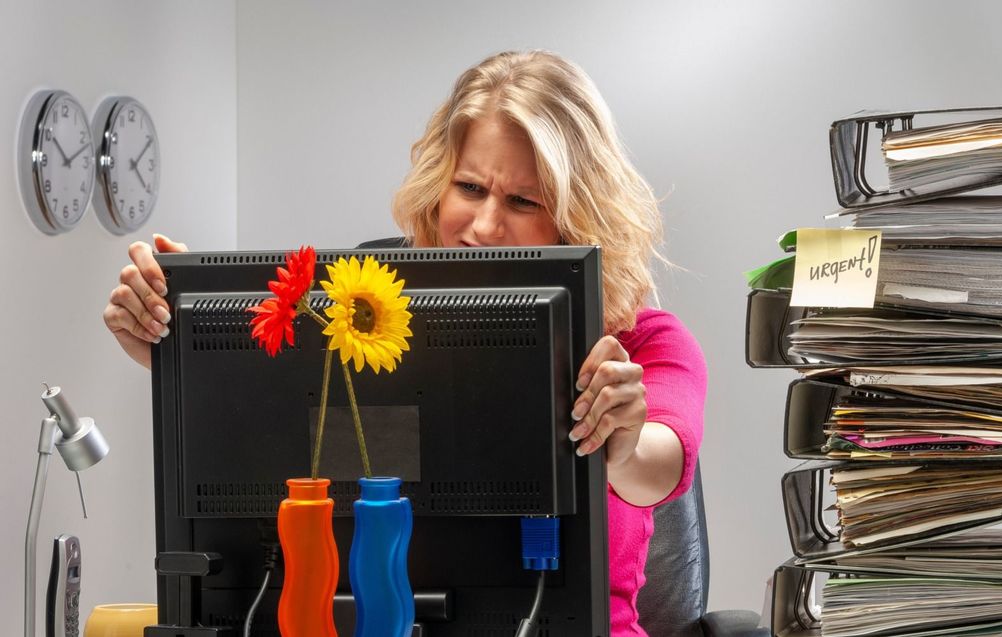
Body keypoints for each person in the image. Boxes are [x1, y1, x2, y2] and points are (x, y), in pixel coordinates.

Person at [103, 49, 706, 637]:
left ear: (581, 212)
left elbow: (658, 465)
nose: (487, 225)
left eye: (523, 201)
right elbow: (277, 429)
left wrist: (623, 445)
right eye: (470, 188)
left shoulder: (646, 344)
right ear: (437, 190)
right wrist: (171, 345)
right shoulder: (357, 321)